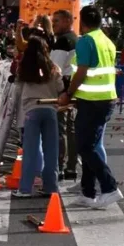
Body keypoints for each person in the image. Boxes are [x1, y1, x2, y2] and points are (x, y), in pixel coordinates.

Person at [57, 5, 122, 209]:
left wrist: (68, 94)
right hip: (104, 99)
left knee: (85, 146)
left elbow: (82, 71)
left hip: (93, 101)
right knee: (89, 146)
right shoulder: (106, 41)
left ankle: (109, 187)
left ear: (82, 22)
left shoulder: (86, 40)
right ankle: (88, 192)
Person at [14, 36, 64, 197]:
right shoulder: (53, 68)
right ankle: (51, 187)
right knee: (51, 151)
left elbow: (18, 89)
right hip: (51, 110)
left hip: (32, 111)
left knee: (30, 150)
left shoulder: (25, 68)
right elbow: (60, 88)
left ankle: (25, 189)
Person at [50, 10, 79, 180]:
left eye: (57, 21)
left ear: (68, 20)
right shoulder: (76, 39)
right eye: (53, 21)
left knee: (60, 130)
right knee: (71, 129)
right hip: (73, 87)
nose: (54, 25)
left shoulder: (62, 41)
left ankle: (59, 167)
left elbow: (54, 69)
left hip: (62, 89)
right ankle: (71, 167)